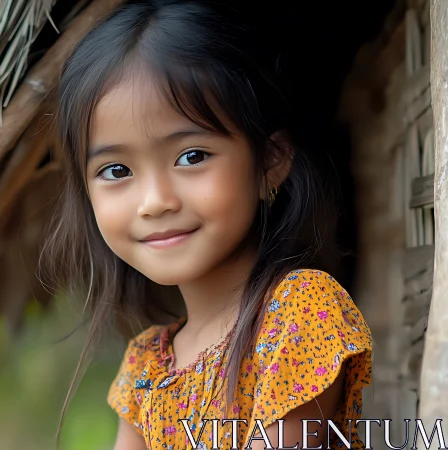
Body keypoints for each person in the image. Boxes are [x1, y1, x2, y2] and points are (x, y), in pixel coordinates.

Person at [39, 0, 373, 448]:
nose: (155, 202)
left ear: (270, 161)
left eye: (191, 156)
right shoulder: (146, 368)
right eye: (117, 171)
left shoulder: (301, 314)